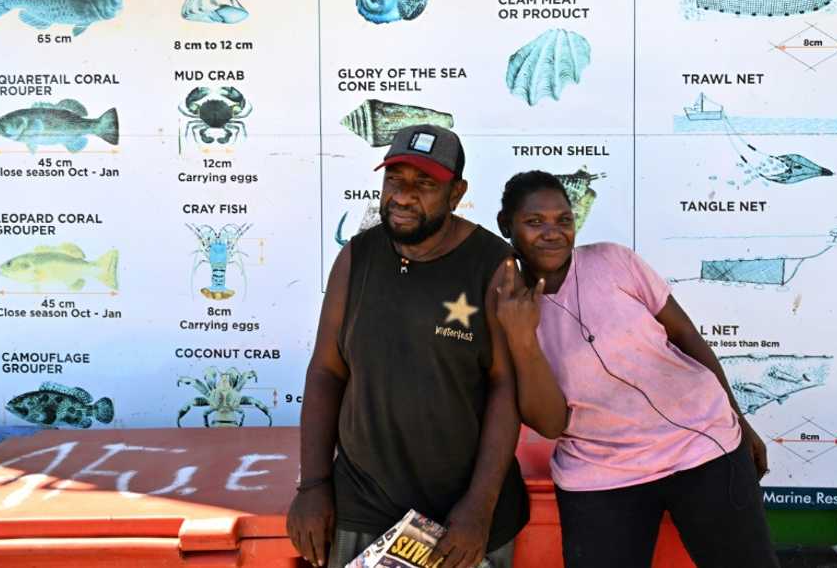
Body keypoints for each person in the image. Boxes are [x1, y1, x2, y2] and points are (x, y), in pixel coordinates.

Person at [493, 171, 780, 568]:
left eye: (564, 219)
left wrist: (739, 419)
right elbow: (551, 423)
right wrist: (523, 340)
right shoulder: (505, 306)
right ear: (505, 225)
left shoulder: (613, 261)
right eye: (534, 222)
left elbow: (686, 337)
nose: (552, 233)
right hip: (600, 472)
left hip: (701, 445)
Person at [287, 125, 529, 568]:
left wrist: (479, 506)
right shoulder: (356, 257)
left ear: (457, 193)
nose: (402, 196)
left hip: (460, 520)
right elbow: (326, 372)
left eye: (424, 185)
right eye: (394, 180)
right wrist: (313, 485)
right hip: (362, 505)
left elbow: (505, 390)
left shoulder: (494, 265)